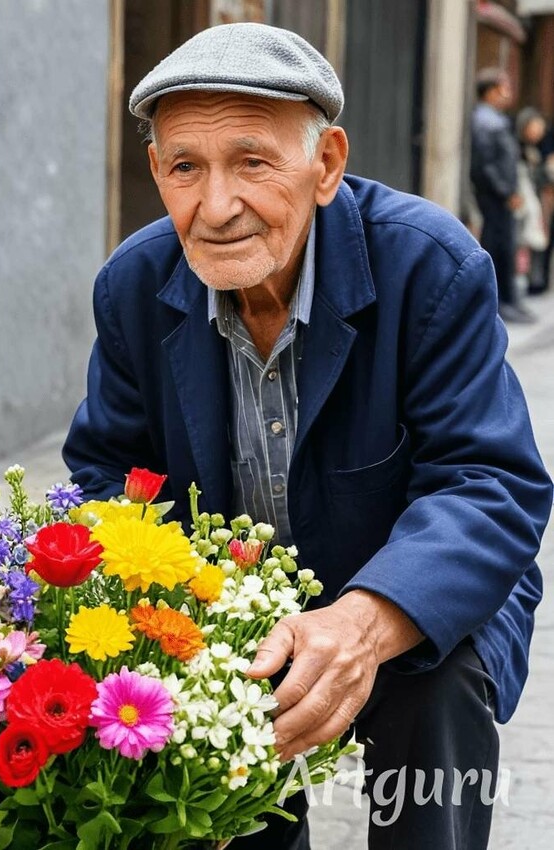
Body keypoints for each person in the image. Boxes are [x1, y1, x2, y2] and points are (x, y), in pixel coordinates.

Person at [63, 23, 552, 850]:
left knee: (441, 694)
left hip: (406, 596)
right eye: (186, 168)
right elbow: (105, 477)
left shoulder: (431, 267)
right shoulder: (136, 285)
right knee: (213, 794)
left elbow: (489, 483)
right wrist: (188, 621)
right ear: (158, 173)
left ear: (325, 164)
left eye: (253, 162)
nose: (215, 208)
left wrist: (364, 619)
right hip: (229, 612)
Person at [470, 67, 535, 323]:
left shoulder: (494, 119)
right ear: (490, 92)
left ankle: (507, 299)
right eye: (502, 88)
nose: (507, 94)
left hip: (502, 196)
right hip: (495, 197)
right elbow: (484, 165)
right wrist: (506, 192)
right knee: (497, 247)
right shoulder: (486, 121)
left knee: (506, 247)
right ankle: (499, 302)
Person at [514, 107, 550, 294]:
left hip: (532, 203)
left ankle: (531, 284)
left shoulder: (533, 150)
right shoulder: (517, 148)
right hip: (520, 204)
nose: (539, 132)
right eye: (536, 127)